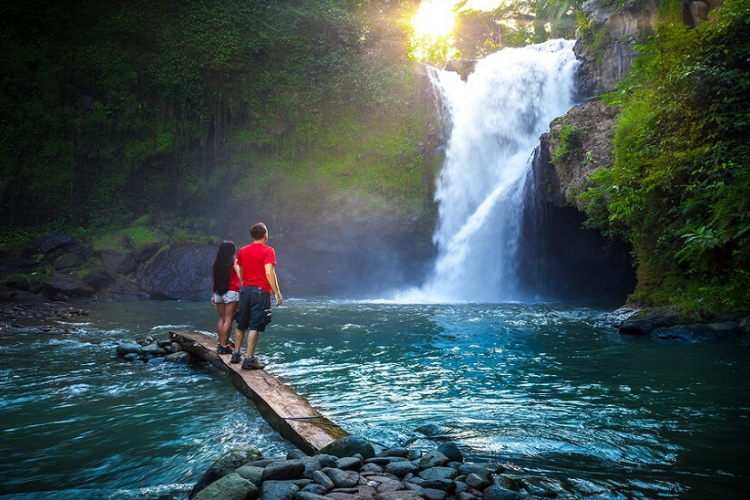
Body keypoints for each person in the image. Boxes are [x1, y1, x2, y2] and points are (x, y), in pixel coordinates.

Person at [231, 222, 283, 370]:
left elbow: (240, 271)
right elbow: (269, 272)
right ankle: (249, 359)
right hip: (260, 291)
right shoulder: (268, 251)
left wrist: (245, 283)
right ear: (266, 235)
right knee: (255, 324)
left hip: (245, 289)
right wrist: (277, 293)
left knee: (241, 322)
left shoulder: (242, 251)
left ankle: (235, 354)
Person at [211, 240, 240, 354]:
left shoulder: (217, 264)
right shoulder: (234, 261)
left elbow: (214, 280)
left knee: (222, 319)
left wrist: (213, 295)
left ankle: (221, 343)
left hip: (219, 293)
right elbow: (238, 272)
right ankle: (224, 346)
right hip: (231, 292)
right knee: (229, 319)